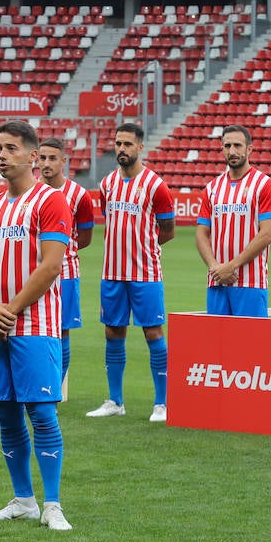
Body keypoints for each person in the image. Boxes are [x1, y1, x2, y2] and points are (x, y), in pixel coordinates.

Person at [0, 120, 74, 531]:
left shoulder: (50, 201)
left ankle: (53, 504)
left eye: (11, 148)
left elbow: (51, 265)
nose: (1, 155)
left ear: (32, 156)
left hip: (36, 325)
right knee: (6, 415)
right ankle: (23, 500)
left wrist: (8, 310)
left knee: (43, 413)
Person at [87, 123, 175, 420]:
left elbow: (168, 230)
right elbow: (108, 220)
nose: (121, 149)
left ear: (140, 147)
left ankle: (161, 403)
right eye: (118, 143)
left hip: (145, 273)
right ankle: (115, 401)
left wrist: (144, 248)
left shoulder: (155, 185)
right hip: (112, 272)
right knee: (113, 331)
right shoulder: (108, 183)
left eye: (127, 144)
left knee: (153, 332)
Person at [195, 125, 271, 317]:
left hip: (250, 282)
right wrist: (215, 267)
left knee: (250, 344)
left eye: (238, 146)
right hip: (217, 281)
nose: (232, 151)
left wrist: (230, 266)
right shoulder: (212, 188)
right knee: (218, 344)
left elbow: (267, 234)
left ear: (249, 149)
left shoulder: (264, 184)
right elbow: (201, 234)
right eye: (227, 146)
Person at [37, 139, 94, 400]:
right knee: (32, 331)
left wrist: (63, 254)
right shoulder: (32, 191)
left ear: (63, 161)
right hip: (33, 273)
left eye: (52, 158)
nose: (46, 164)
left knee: (61, 331)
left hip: (66, 274)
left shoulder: (79, 195)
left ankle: (53, 392)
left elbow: (85, 236)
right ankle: (32, 389)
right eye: (43, 158)